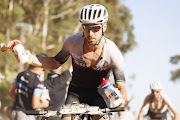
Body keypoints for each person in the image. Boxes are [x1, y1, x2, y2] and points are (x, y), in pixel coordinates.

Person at [4, 4, 127, 120]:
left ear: (104, 27)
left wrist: (121, 100)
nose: (90, 33)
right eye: (86, 27)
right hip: (76, 92)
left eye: (95, 28)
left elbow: (121, 87)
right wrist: (31, 59)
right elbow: (54, 63)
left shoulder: (113, 52)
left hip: (99, 93)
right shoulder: (72, 43)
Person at [8, 54, 49, 120]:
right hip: (25, 115)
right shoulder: (37, 82)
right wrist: (45, 104)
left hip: (14, 112)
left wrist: (18, 103)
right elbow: (35, 105)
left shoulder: (21, 74)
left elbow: (10, 92)